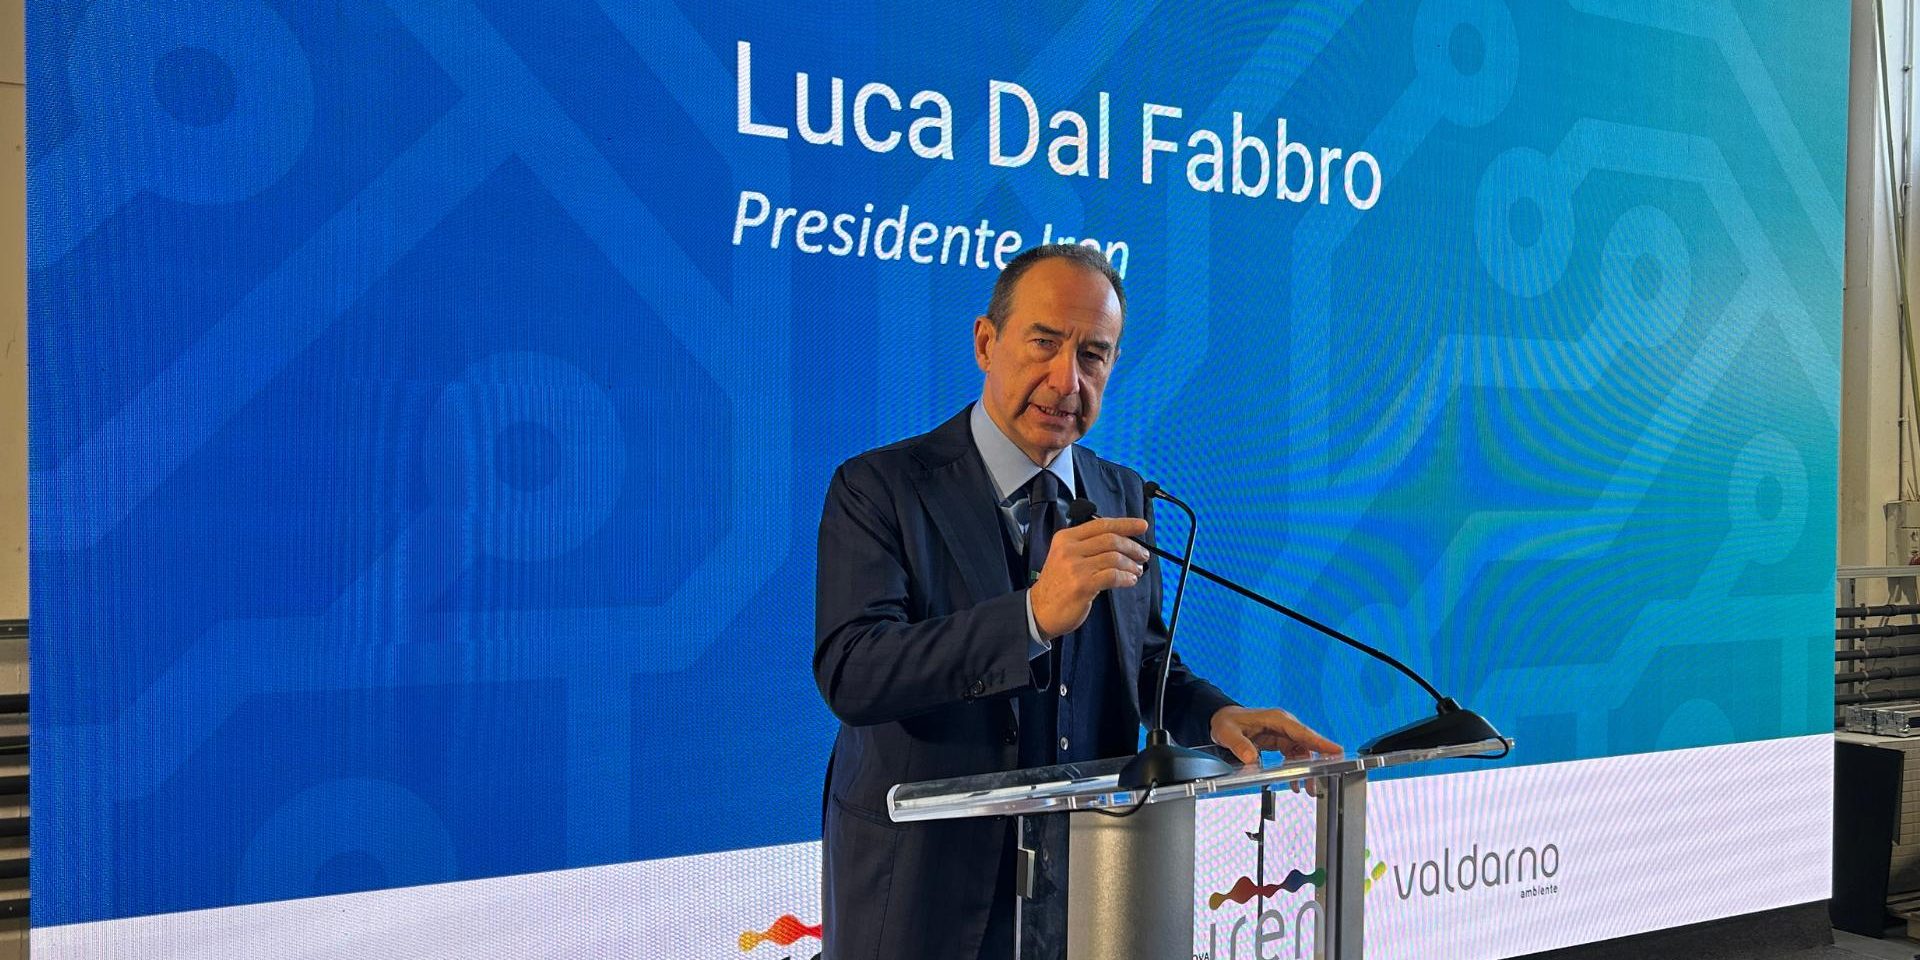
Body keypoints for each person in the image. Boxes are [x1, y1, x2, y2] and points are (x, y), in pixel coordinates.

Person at [813, 244, 1338, 960]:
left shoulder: (1122, 493)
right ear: (986, 343)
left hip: (1088, 881)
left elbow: (1143, 661)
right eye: (1044, 343)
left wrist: (1213, 715)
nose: (1067, 380)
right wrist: (1030, 617)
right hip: (920, 889)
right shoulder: (881, 487)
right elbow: (853, 671)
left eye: (1094, 355)